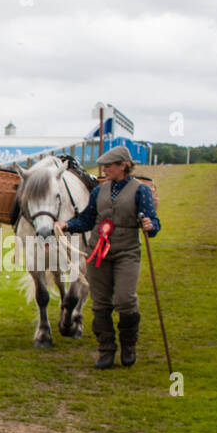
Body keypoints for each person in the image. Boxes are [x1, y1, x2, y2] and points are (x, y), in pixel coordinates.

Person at [55, 145, 160, 368]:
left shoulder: (140, 191)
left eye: (109, 166)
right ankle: (106, 349)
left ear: (123, 166)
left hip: (127, 252)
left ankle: (128, 344)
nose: (104, 170)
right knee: (100, 303)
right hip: (98, 253)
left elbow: (153, 222)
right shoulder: (98, 192)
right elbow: (87, 219)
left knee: (125, 299)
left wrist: (150, 225)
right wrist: (67, 225)